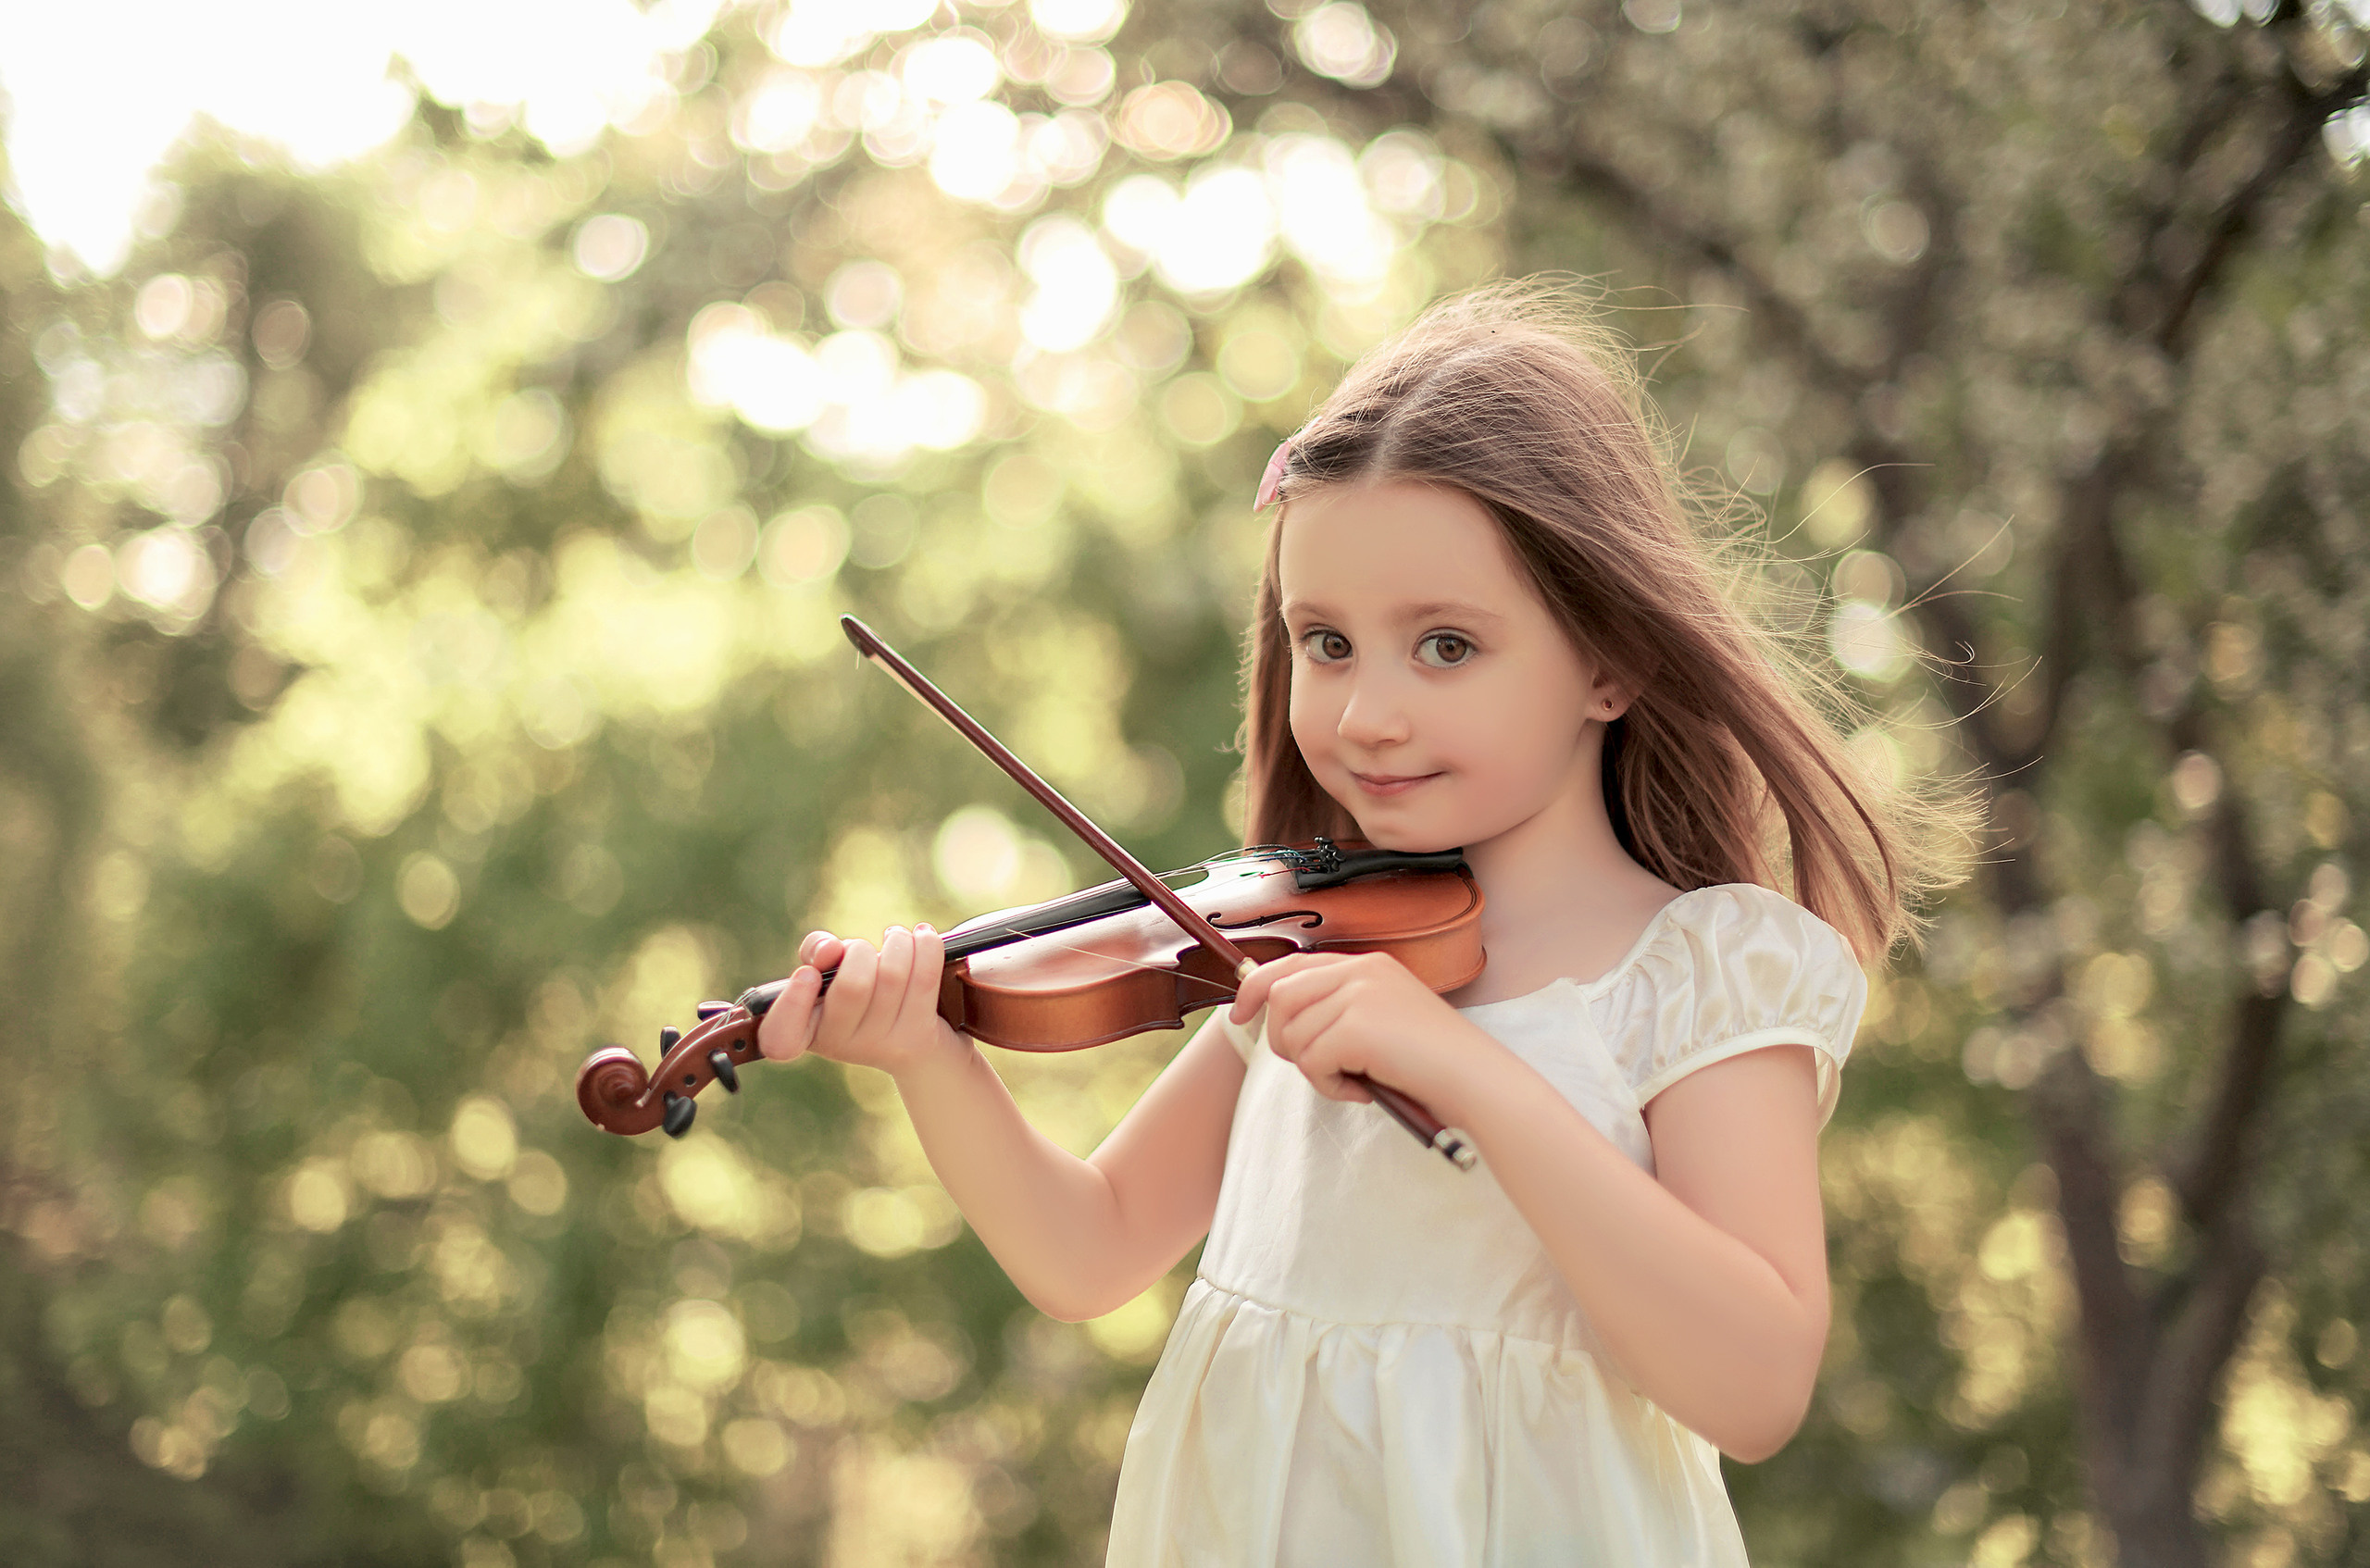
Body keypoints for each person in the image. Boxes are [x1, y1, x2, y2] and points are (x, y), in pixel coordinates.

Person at [755, 280, 1965, 1564]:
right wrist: (930, 1055)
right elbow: (1089, 1249)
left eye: (1444, 646)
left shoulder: (1704, 968)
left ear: (1610, 661)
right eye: (1325, 643)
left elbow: (1756, 1382)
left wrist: (1465, 1070)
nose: (1365, 713)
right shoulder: (1316, 944)